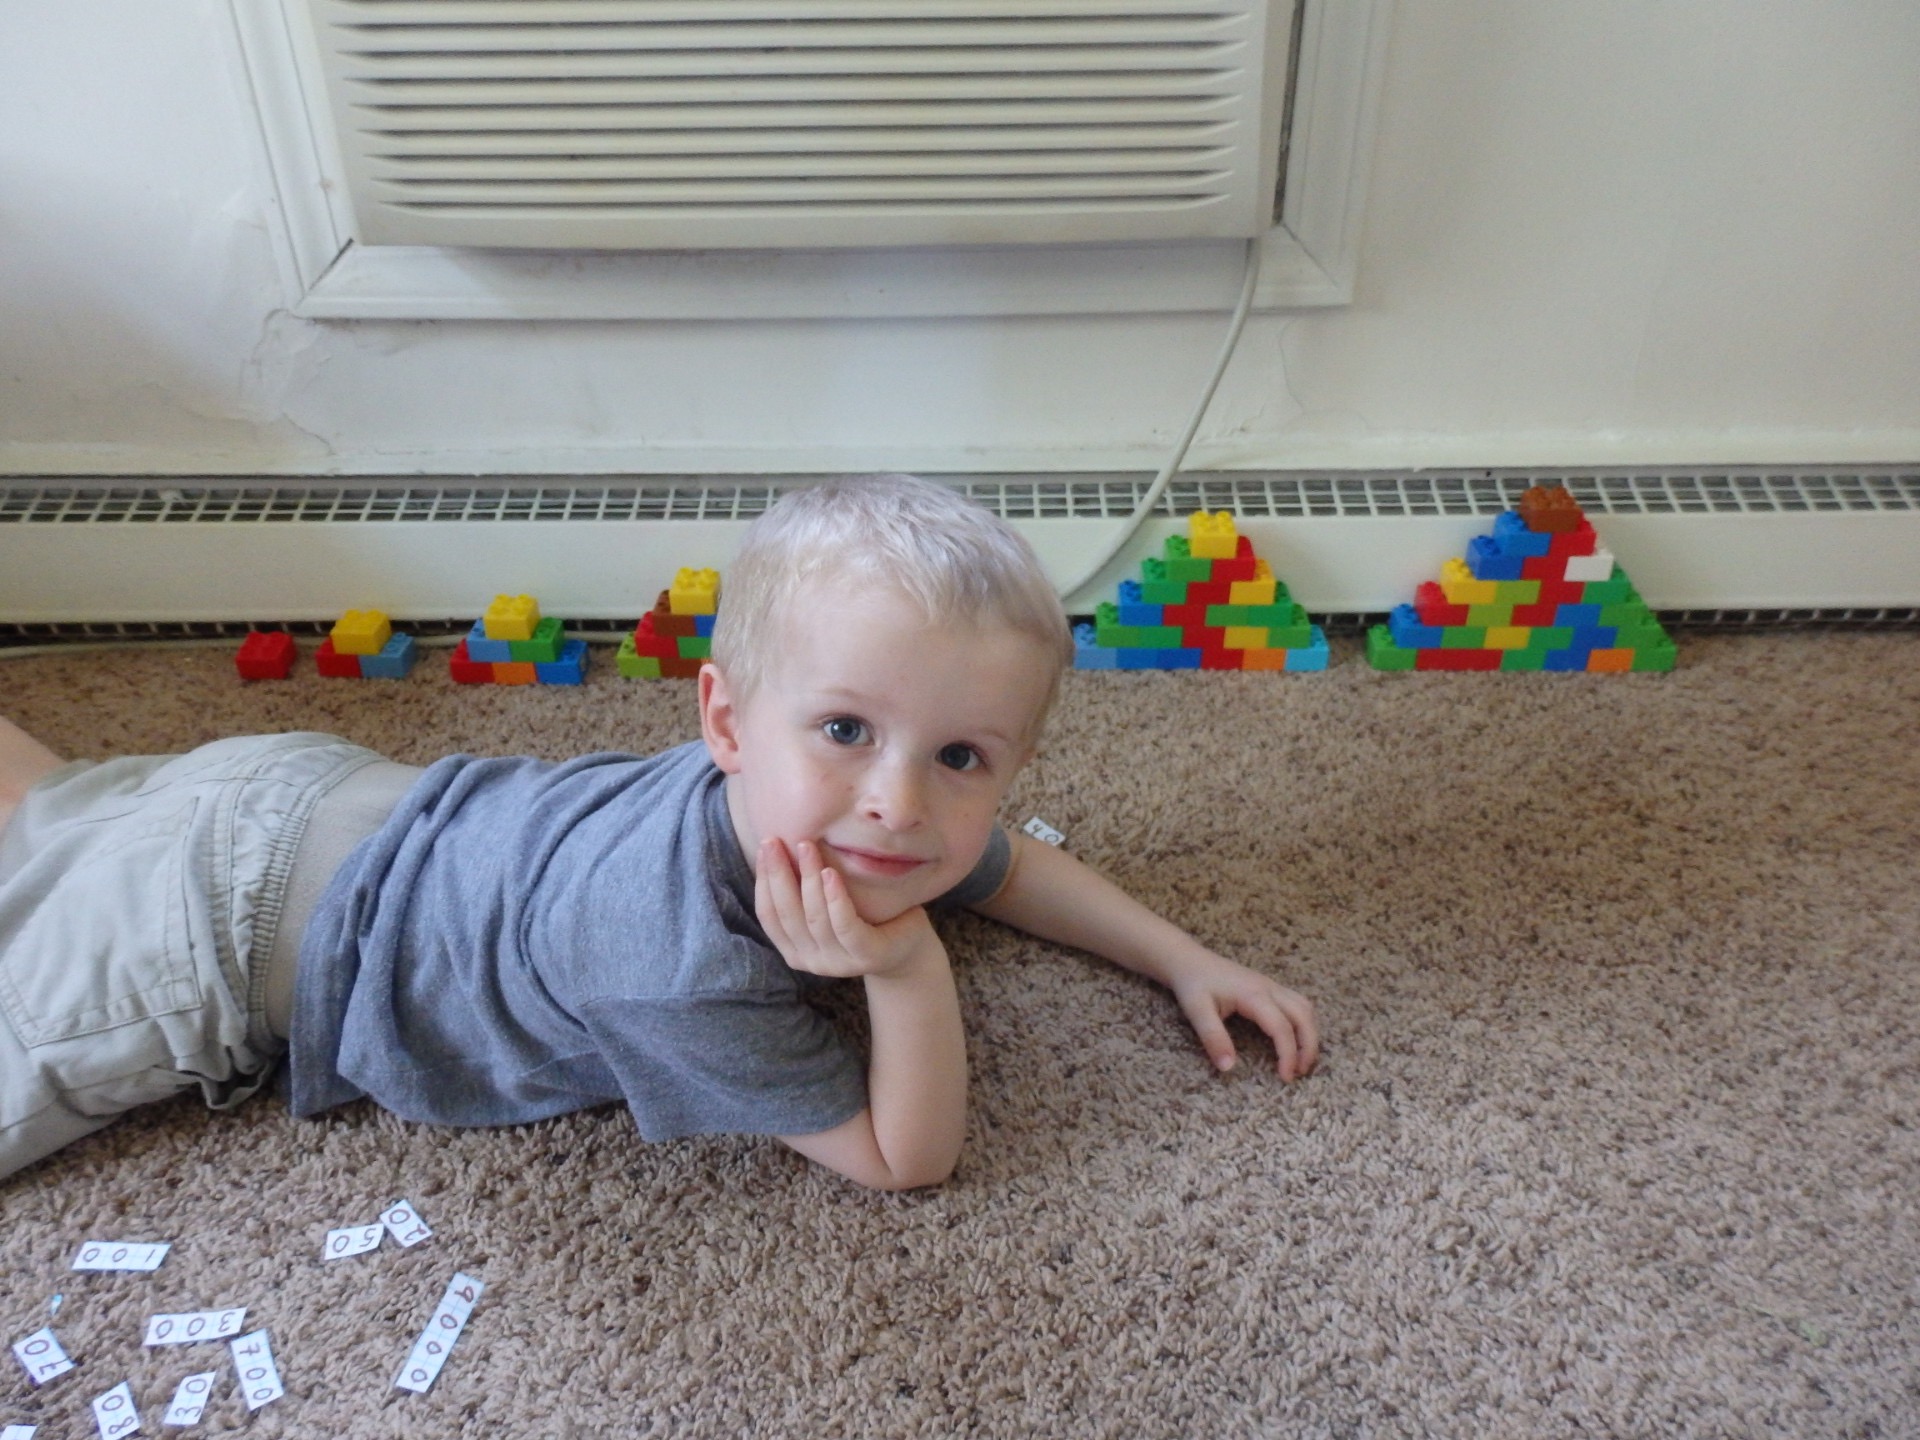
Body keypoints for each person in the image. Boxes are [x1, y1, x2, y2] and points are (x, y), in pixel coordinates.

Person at [0, 475, 1317, 1191]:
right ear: (725, 721)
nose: (901, 803)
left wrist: (1182, 957)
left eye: (961, 757)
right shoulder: (674, 960)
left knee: (56, 812)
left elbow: (1007, 862)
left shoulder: (837, 809)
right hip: (206, 940)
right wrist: (906, 973)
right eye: (849, 731)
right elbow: (901, 1160)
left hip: (312, 792)